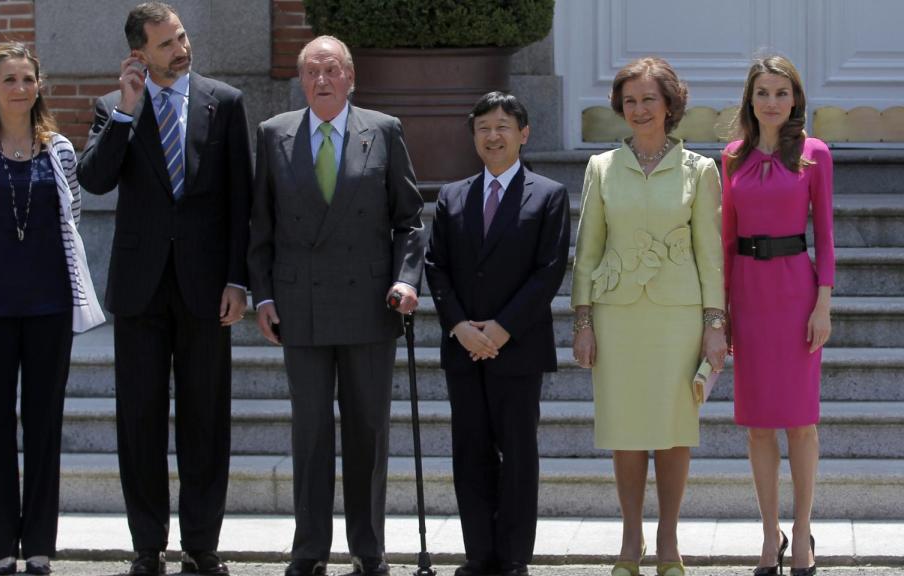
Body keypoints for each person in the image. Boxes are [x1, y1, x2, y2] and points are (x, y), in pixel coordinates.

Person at [76, 2, 252, 574]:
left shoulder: (223, 102)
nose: (181, 49)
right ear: (139, 55)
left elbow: (239, 201)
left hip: (206, 288)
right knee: (140, 419)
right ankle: (147, 545)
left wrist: (237, 280)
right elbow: (95, 181)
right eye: (166, 44)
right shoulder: (112, 108)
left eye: (181, 36)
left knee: (206, 418)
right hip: (140, 289)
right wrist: (126, 113)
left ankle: (202, 545)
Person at [247, 35, 425, 576]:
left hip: (371, 305)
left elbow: (410, 221)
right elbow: (262, 224)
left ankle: (368, 549)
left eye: (331, 70)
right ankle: (309, 550)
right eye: (311, 72)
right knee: (311, 433)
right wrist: (265, 295)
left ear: (351, 77)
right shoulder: (274, 134)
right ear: (301, 81)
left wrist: (406, 279)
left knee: (369, 430)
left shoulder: (384, 130)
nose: (321, 80)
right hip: (300, 306)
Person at [0, 42, 105, 576]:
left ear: (39, 87)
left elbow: (72, 218)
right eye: (8, 80)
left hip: (48, 308)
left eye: (27, 79)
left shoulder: (58, 150)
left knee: (44, 425)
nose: (19, 89)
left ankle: (38, 545)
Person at [571, 57, 725, 576]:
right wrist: (583, 321)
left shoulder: (700, 170)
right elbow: (586, 251)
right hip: (617, 317)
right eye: (630, 100)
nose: (638, 109)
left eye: (649, 100)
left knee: (675, 430)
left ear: (670, 105)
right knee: (626, 429)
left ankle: (669, 542)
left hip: (678, 318)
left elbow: (711, 254)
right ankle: (630, 540)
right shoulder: (600, 168)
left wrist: (715, 326)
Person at [424, 91, 570, 576]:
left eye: (503, 126)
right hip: (463, 345)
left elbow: (548, 272)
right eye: (484, 126)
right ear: (473, 136)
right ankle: (479, 552)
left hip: (519, 346)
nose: (493, 135)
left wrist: (502, 329)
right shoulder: (452, 195)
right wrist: (460, 325)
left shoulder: (547, 195)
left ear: (523, 135)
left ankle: (512, 556)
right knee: (470, 451)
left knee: (518, 451)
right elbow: (435, 265)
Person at [722, 55, 833, 576]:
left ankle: (804, 529)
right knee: (758, 426)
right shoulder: (730, 158)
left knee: (801, 423)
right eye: (762, 92)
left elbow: (826, 238)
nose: (772, 102)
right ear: (751, 99)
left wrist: (823, 304)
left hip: (796, 294)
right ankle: (771, 535)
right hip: (747, 293)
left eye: (781, 93)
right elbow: (724, 241)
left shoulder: (815, 155)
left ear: (795, 99)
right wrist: (719, 313)